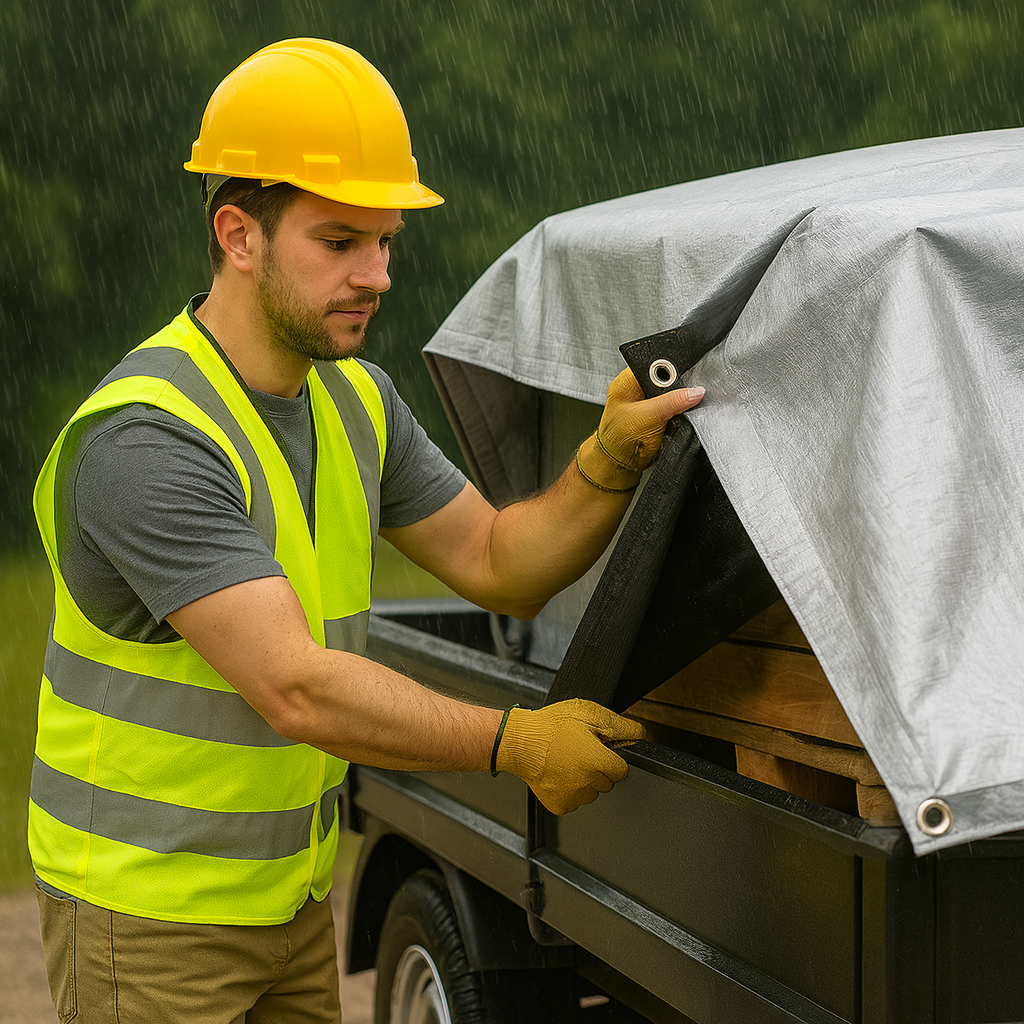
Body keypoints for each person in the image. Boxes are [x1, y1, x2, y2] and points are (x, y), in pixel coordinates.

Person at [29, 38, 705, 1024]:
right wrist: (514, 741)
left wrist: (606, 463)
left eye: (385, 242)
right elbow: (294, 686)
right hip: (150, 920)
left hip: (291, 903)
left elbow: (498, 562)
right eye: (340, 242)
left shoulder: (354, 402)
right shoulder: (150, 437)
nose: (377, 274)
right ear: (238, 235)